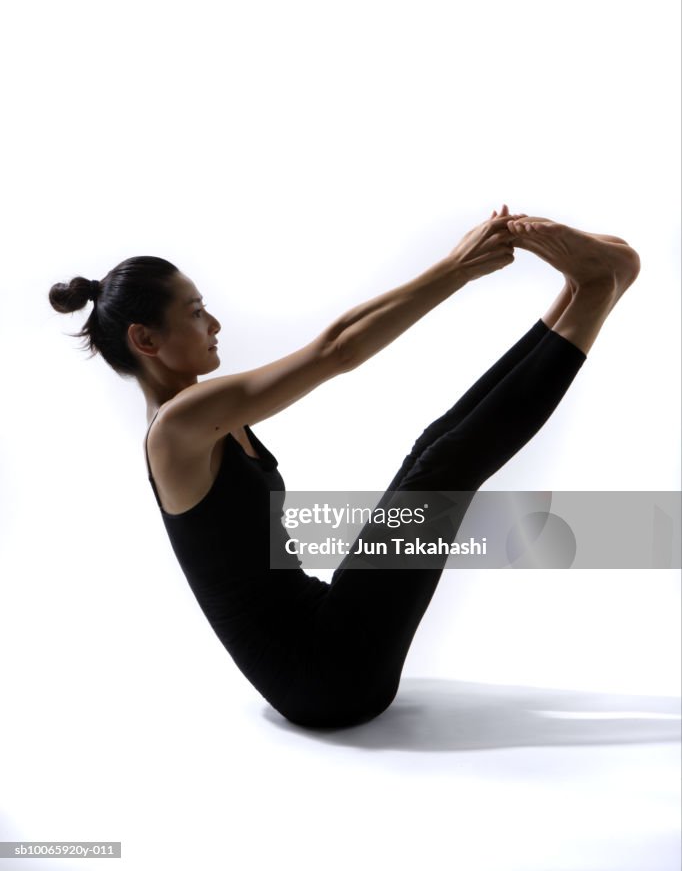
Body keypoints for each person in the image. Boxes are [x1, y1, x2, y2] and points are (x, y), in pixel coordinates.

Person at [48, 206, 640, 729]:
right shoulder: (180, 426)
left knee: (432, 454)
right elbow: (337, 350)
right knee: (441, 471)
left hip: (325, 638)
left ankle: (579, 291)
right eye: (197, 311)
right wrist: (456, 268)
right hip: (327, 679)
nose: (215, 324)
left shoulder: (195, 415)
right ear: (145, 340)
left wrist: (458, 268)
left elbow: (338, 343)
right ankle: (594, 291)